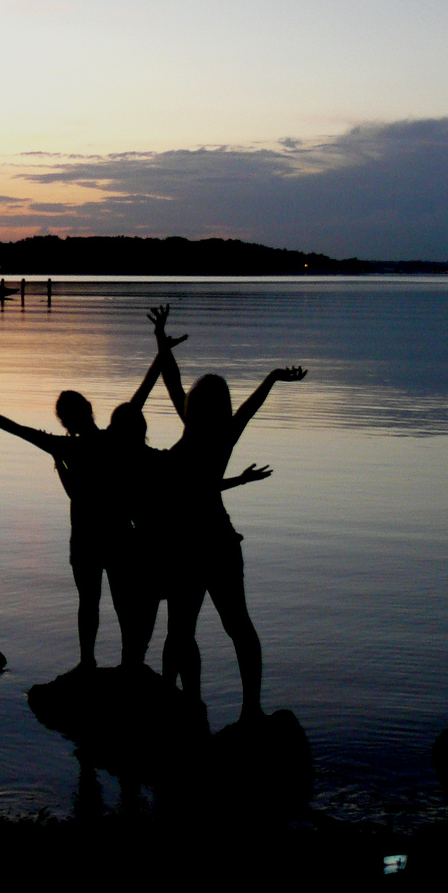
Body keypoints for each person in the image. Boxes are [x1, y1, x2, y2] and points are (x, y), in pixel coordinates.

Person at [0, 314, 187, 671]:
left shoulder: (65, 449)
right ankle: (128, 664)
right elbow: (143, 391)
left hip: (87, 538)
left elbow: (18, 430)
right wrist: (160, 349)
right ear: (89, 410)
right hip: (120, 535)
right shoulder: (115, 439)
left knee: (88, 602)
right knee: (123, 602)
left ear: (63, 421)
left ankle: (88, 663)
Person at [149, 307, 306, 722]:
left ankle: (198, 701)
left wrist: (161, 340)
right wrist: (271, 378)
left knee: (191, 629)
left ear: (196, 403)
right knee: (226, 627)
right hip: (211, 542)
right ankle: (241, 706)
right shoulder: (220, 435)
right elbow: (175, 382)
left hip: (193, 544)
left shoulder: (202, 432)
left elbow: (173, 381)